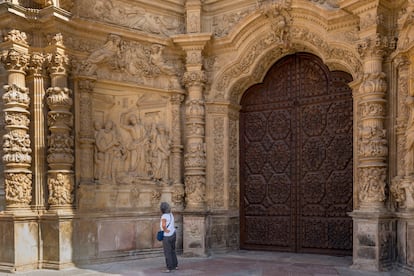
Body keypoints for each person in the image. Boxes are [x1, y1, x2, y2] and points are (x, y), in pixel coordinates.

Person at [159, 202, 178, 273]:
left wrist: (165, 230)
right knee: (173, 250)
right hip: (173, 234)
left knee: (167, 252)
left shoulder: (164, 216)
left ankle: (169, 267)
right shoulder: (171, 214)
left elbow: (163, 225)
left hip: (167, 236)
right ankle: (175, 265)